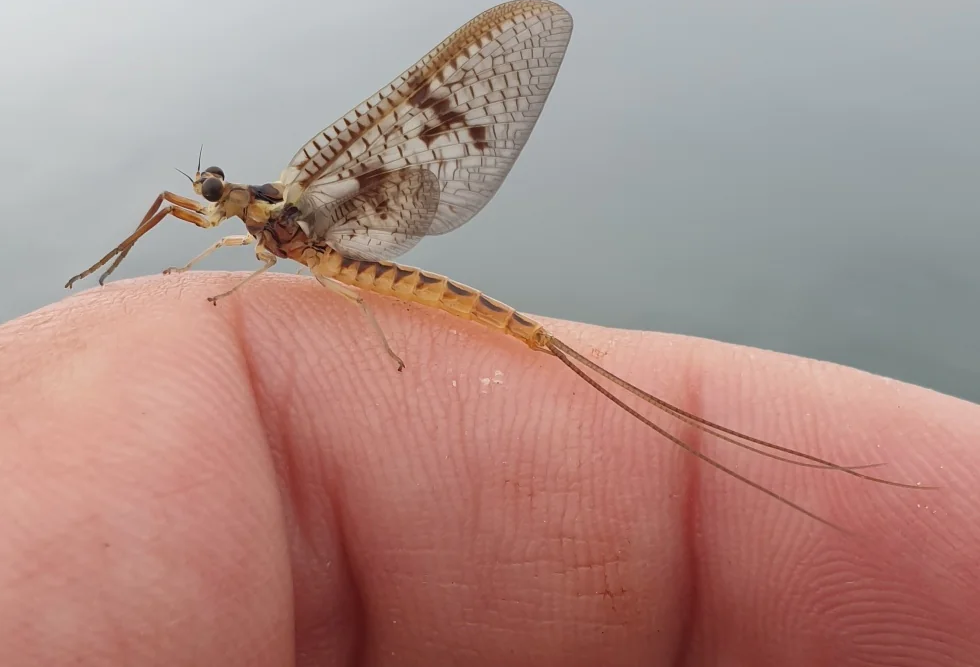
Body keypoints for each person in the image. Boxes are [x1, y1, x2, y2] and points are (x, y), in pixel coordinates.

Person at [2, 272, 978, 665]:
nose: (214, 211)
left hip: (393, 289)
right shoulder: (255, 252)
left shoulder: (270, 252)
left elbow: (353, 298)